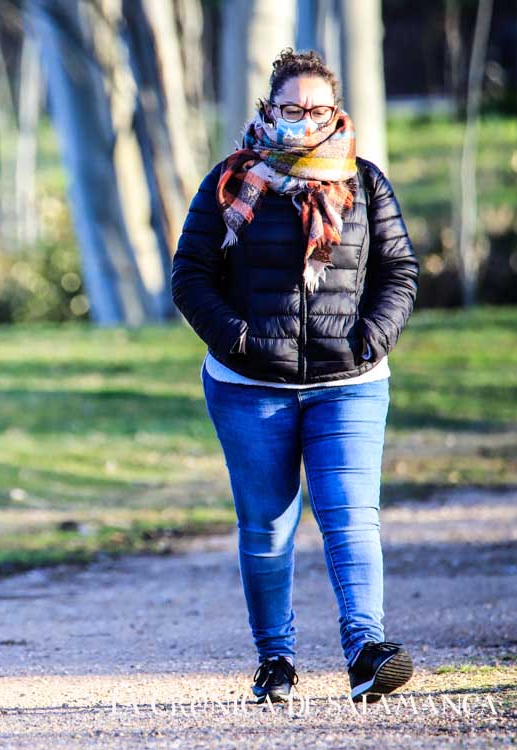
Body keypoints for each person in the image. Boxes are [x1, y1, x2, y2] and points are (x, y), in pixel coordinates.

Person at [171, 49, 419, 704]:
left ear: (333, 113)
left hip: (350, 384)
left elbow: (398, 272)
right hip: (247, 386)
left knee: (350, 520)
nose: (302, 122)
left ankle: (366, 650)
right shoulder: (229, 185)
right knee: (266, 528)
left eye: (314, 110)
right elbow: (190, 277)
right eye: (289, 109)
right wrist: (238, 338)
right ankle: (274, 660)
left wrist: (372, 336)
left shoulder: (364, 183)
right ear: (267, 112)